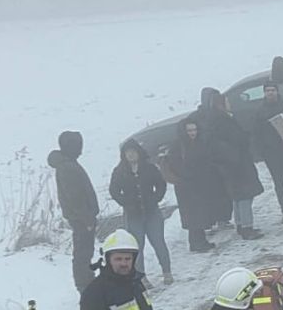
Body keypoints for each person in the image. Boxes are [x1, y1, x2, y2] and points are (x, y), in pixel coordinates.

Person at [198, 88, 265, 240]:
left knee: (238, 195)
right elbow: (233, 140)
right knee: (245, 195)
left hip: (231, 164)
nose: (230, 103)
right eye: (227, 101)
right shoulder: (222, 121)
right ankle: (247, 227)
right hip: (237, 164)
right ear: (220, 105)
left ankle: (241, 224)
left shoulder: (217, 119)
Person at [108, 139, 173, 283]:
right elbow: (114, 190)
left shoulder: (149, 168)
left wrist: (156, 198)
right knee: (136, 247)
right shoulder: (120, 171)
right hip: (133, 216)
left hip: (152, 213)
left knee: (159, 242)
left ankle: (167, 272)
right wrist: (126, 203)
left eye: (133, 152)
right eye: (127, 153)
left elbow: (161, 184)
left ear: (138, 153)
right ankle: (141, 278)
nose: (130, 156)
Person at [159, 118, 223, 252]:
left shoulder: (198, 143)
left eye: (194, 130)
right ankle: (196, 243)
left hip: (198, 184)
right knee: (193, 215)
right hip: (186, 186)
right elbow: (177, 165)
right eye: (189, 130)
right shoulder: (178, 146)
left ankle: (200, 241)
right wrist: (190, 175)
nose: (192, 133)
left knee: (199, 213)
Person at [48, 130, 100, 292]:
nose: (80, 149)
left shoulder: (67, 164)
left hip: (80, 218)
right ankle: (85, 285)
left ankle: (86, 282)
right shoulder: (67, 167)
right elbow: (75, 197)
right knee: (83, 253)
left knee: (84, 252)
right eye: (77, 145)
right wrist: (87, 219)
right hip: (81, 219)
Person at [251, 83, 283, 224]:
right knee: (278, 182)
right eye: (267, 91)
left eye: (273, 90)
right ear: (264, 93)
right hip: (270, 152)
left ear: (277, 92)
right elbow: (256, 132)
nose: (270, 93)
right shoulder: (259, 110)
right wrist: (259, 151)